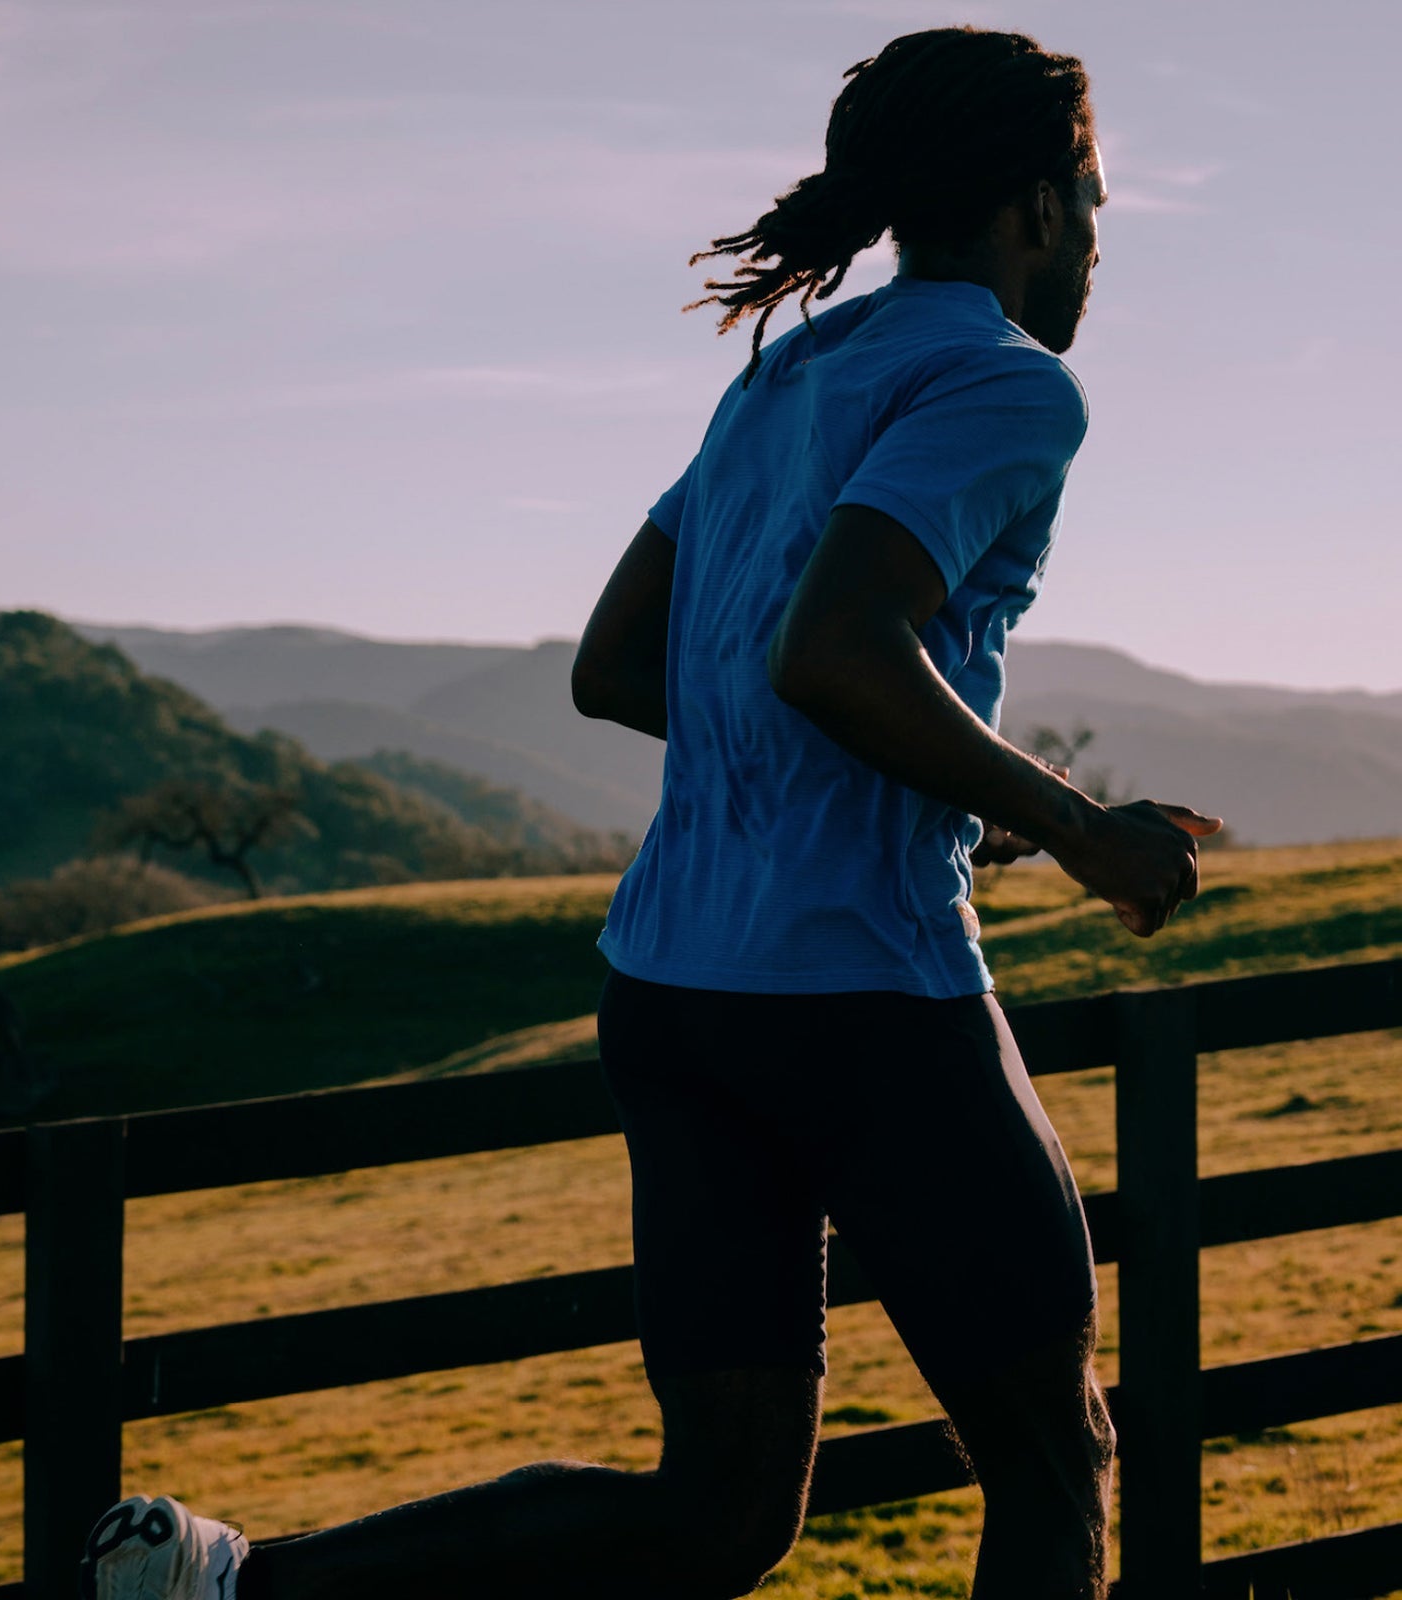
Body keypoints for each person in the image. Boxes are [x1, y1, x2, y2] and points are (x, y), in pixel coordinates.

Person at [82, 25, 1222, 1600]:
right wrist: (1082, 826)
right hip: (865, 1000)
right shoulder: (1008, 381)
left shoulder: (787, 376)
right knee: (1055, 1457)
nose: (1097, 242)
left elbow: (624, 665)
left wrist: (938, 791)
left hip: (681, 1000)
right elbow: (833, 650)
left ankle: (228, 1591)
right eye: (1094, 203)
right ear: (1035, 207)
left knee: (723, 1508)